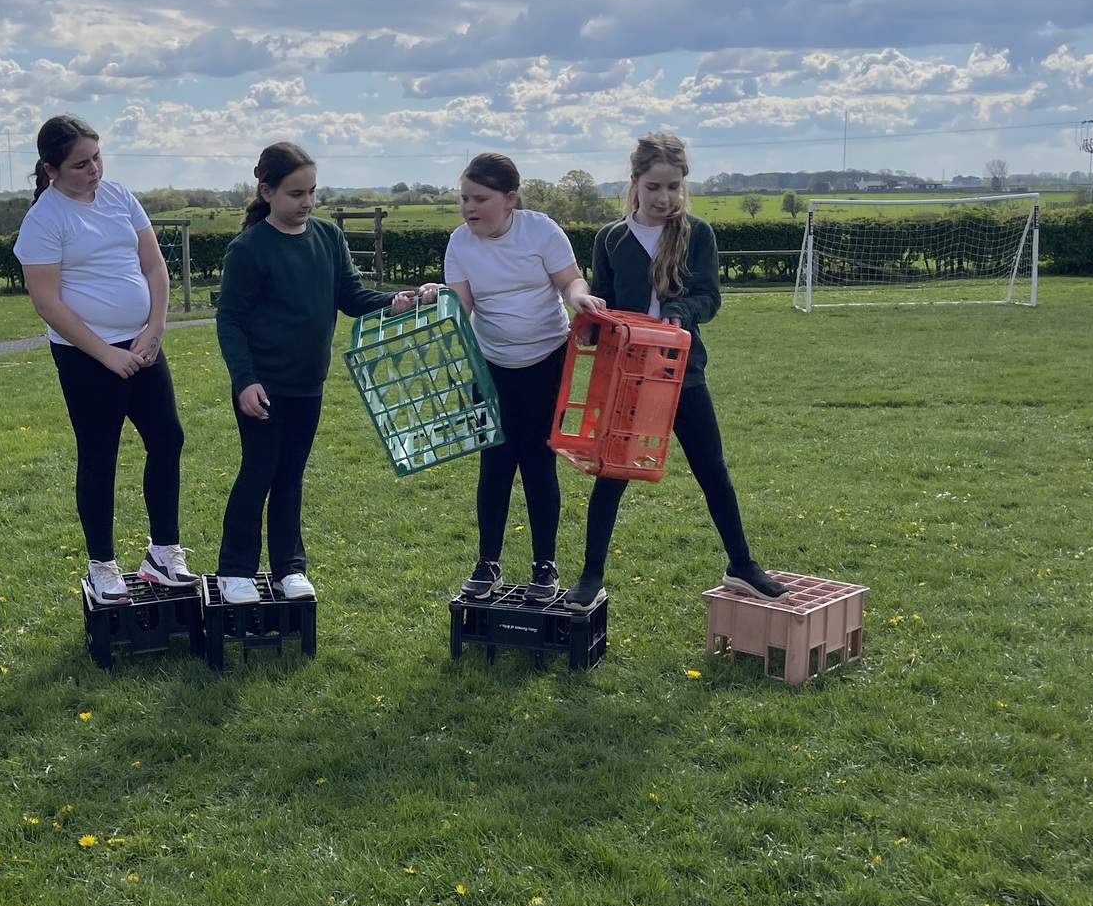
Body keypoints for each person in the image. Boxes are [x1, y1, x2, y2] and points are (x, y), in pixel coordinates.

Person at [565, 132, 784, 607]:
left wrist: (680, 312)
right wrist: (590, 324)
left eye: (673, 186)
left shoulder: (697, 234)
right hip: (628, 376)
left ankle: (742, 565)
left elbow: (709, 298)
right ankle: (591, 575)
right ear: (634, 182)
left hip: (683, 372)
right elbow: (606, 301)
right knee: (612, 474)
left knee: (712, 469)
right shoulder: (610, 238)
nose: (664, 198)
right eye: (653, 187)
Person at [214, 142, 433, 604]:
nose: (308, 202)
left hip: (308, 385)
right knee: (258, 473)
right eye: (296, 193)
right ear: (267, 191)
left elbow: (352, 297)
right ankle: (235, 571)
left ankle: (289, 569)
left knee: (290, 476)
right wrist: (244, 381)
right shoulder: (248, 249)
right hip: (263, 387)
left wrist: (399, 302)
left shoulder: (328, 237)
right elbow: (230, 321)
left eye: (313, 191)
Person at [14, 115, 192, 603]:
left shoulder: (120, 197)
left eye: (96, 157)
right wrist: (107, 355)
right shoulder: (44, 220)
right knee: (99, 455)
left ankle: (163, 553)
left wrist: (155, 329)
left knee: (168, 439)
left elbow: (154, 266)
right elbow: (47, 302)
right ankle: (102, 566)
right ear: (51, 170)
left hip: (143, 345)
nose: (93, 169)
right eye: (80, 164)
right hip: (86, 356)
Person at [443, 152, 605, 599]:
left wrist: (579, 298)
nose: (469, 207)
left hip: (546, 361)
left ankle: (544, 567)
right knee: (494, 463)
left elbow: (570, 280)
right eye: (464, 198)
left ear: (510, 198)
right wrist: (436, 301)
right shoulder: (459, 242)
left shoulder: (541, 230)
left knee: (537, 462)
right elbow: (461, 306)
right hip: (490, 366)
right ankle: (487, 563)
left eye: (479, 198)